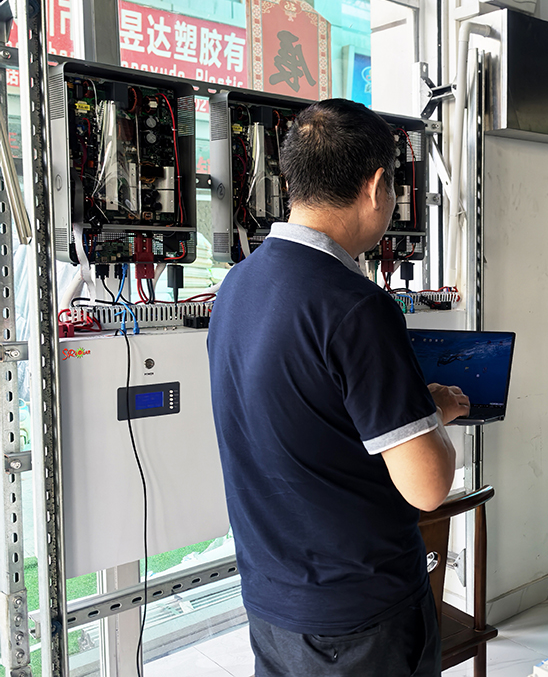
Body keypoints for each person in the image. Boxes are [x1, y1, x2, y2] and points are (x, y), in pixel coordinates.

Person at [207, 98, 469, 677]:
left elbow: (307, 423)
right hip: (359, 618)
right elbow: (428, 487)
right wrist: (430, 415)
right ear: (376, 187)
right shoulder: (356, 308)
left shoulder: (237, 287)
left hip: (273, 604)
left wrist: (407, 410)